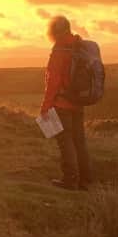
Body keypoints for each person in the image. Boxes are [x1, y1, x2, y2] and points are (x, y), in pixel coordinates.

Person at [39, 15, 91, 190]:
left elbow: (53, 81)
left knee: (65, 142)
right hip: (78, 102)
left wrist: (45, 107)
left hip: (62, 104)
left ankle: (70, 180)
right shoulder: (79, 46)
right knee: (79, 142)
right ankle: (85, 181)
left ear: (54, 31)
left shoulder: (60, 50)